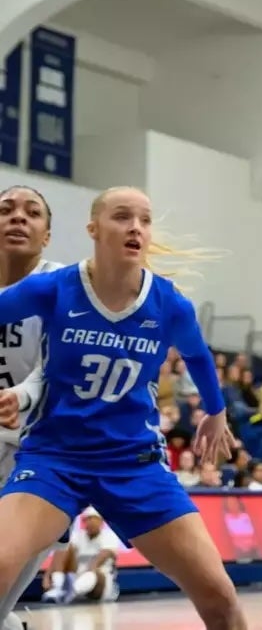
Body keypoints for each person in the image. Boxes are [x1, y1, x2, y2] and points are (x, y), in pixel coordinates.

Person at [0, 186, 243, 630]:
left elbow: (198, 356)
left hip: (133, 463)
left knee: (220, 597)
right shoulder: (56, 288)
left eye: (144, 220)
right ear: (93, 229)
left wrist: (216, 409)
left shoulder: (169, 303)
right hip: (55, 459)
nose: (135, 227)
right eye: (122, 217)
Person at [0, 186, 65, 630]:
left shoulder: (63, 287)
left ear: (46, 235)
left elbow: (53, 373)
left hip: (36, 455)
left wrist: (19, 396)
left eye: (31, 212)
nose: (18, 217)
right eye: (6, 210)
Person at [39, 509, 122, 605]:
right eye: (86, 519)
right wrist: (47, 575)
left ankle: (69, 591)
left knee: (92, 575)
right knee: (64, 546)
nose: (89, 522)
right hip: (75, 577)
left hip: (100, 584)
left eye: (92, 519)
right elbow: (61, 554)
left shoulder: (109, 536)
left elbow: (103, 555)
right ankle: (58, 585)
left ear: (100, 521)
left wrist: (91, 569)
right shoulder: (78, 536)